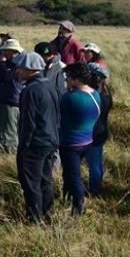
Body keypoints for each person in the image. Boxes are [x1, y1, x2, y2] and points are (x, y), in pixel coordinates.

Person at [14, 52, 60, 223]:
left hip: (35, 144)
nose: (17, 71)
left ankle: (34, 218)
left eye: (20, 68)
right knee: (45, 180)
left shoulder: (30, 91)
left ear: (31, 69)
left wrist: (23, 147)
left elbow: (28, 122)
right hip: (51, 141)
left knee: (31, 183)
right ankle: (47, 214)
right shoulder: (49, 85)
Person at [59, 62, 100, 215]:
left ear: (76, 79)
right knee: (72, 172)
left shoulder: (70, 98)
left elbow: (59, 115)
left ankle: (78, 205)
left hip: (70, 142)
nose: (66, 80)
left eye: (68, 77)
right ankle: (69, 198)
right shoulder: (95, 94)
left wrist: (68, 91)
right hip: (87, 140)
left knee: (73, 174)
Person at [0, 39, 23, 154]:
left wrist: (1, 64)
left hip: (11, 101)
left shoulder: (19, 64)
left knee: (9, 133)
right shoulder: (6, 63)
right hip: (2, 98)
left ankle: (10, 155)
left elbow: (7, 76)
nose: (3, 53)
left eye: (6, 51)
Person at [84, 63, 112, 196]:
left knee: (94, 163)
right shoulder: (106, 92)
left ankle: (94, 190)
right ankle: (96, 187)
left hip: (92, 133)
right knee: (97, 162)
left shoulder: (94, 95)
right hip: (101, 130)